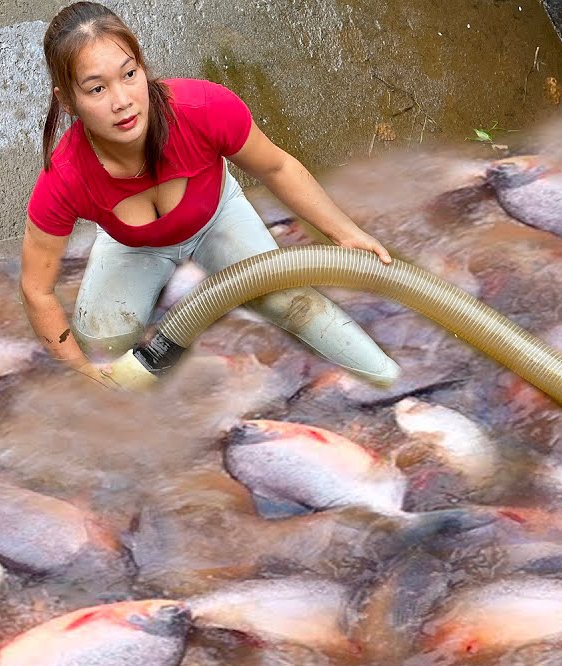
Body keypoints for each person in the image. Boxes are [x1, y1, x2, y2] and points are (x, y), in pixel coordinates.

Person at [20, 1, 403, 390]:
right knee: (102, 342)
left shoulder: (203, 109)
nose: (122, 101)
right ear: (68, 101)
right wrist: (81, 371)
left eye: (129, 74)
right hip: (133, 246)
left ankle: (393, 380)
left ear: (142, 67)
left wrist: (344, 233)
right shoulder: (65, 177)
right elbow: (37, 289)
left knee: (289, 303)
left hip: (217, 217)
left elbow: (277, 168)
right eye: (97, 88)